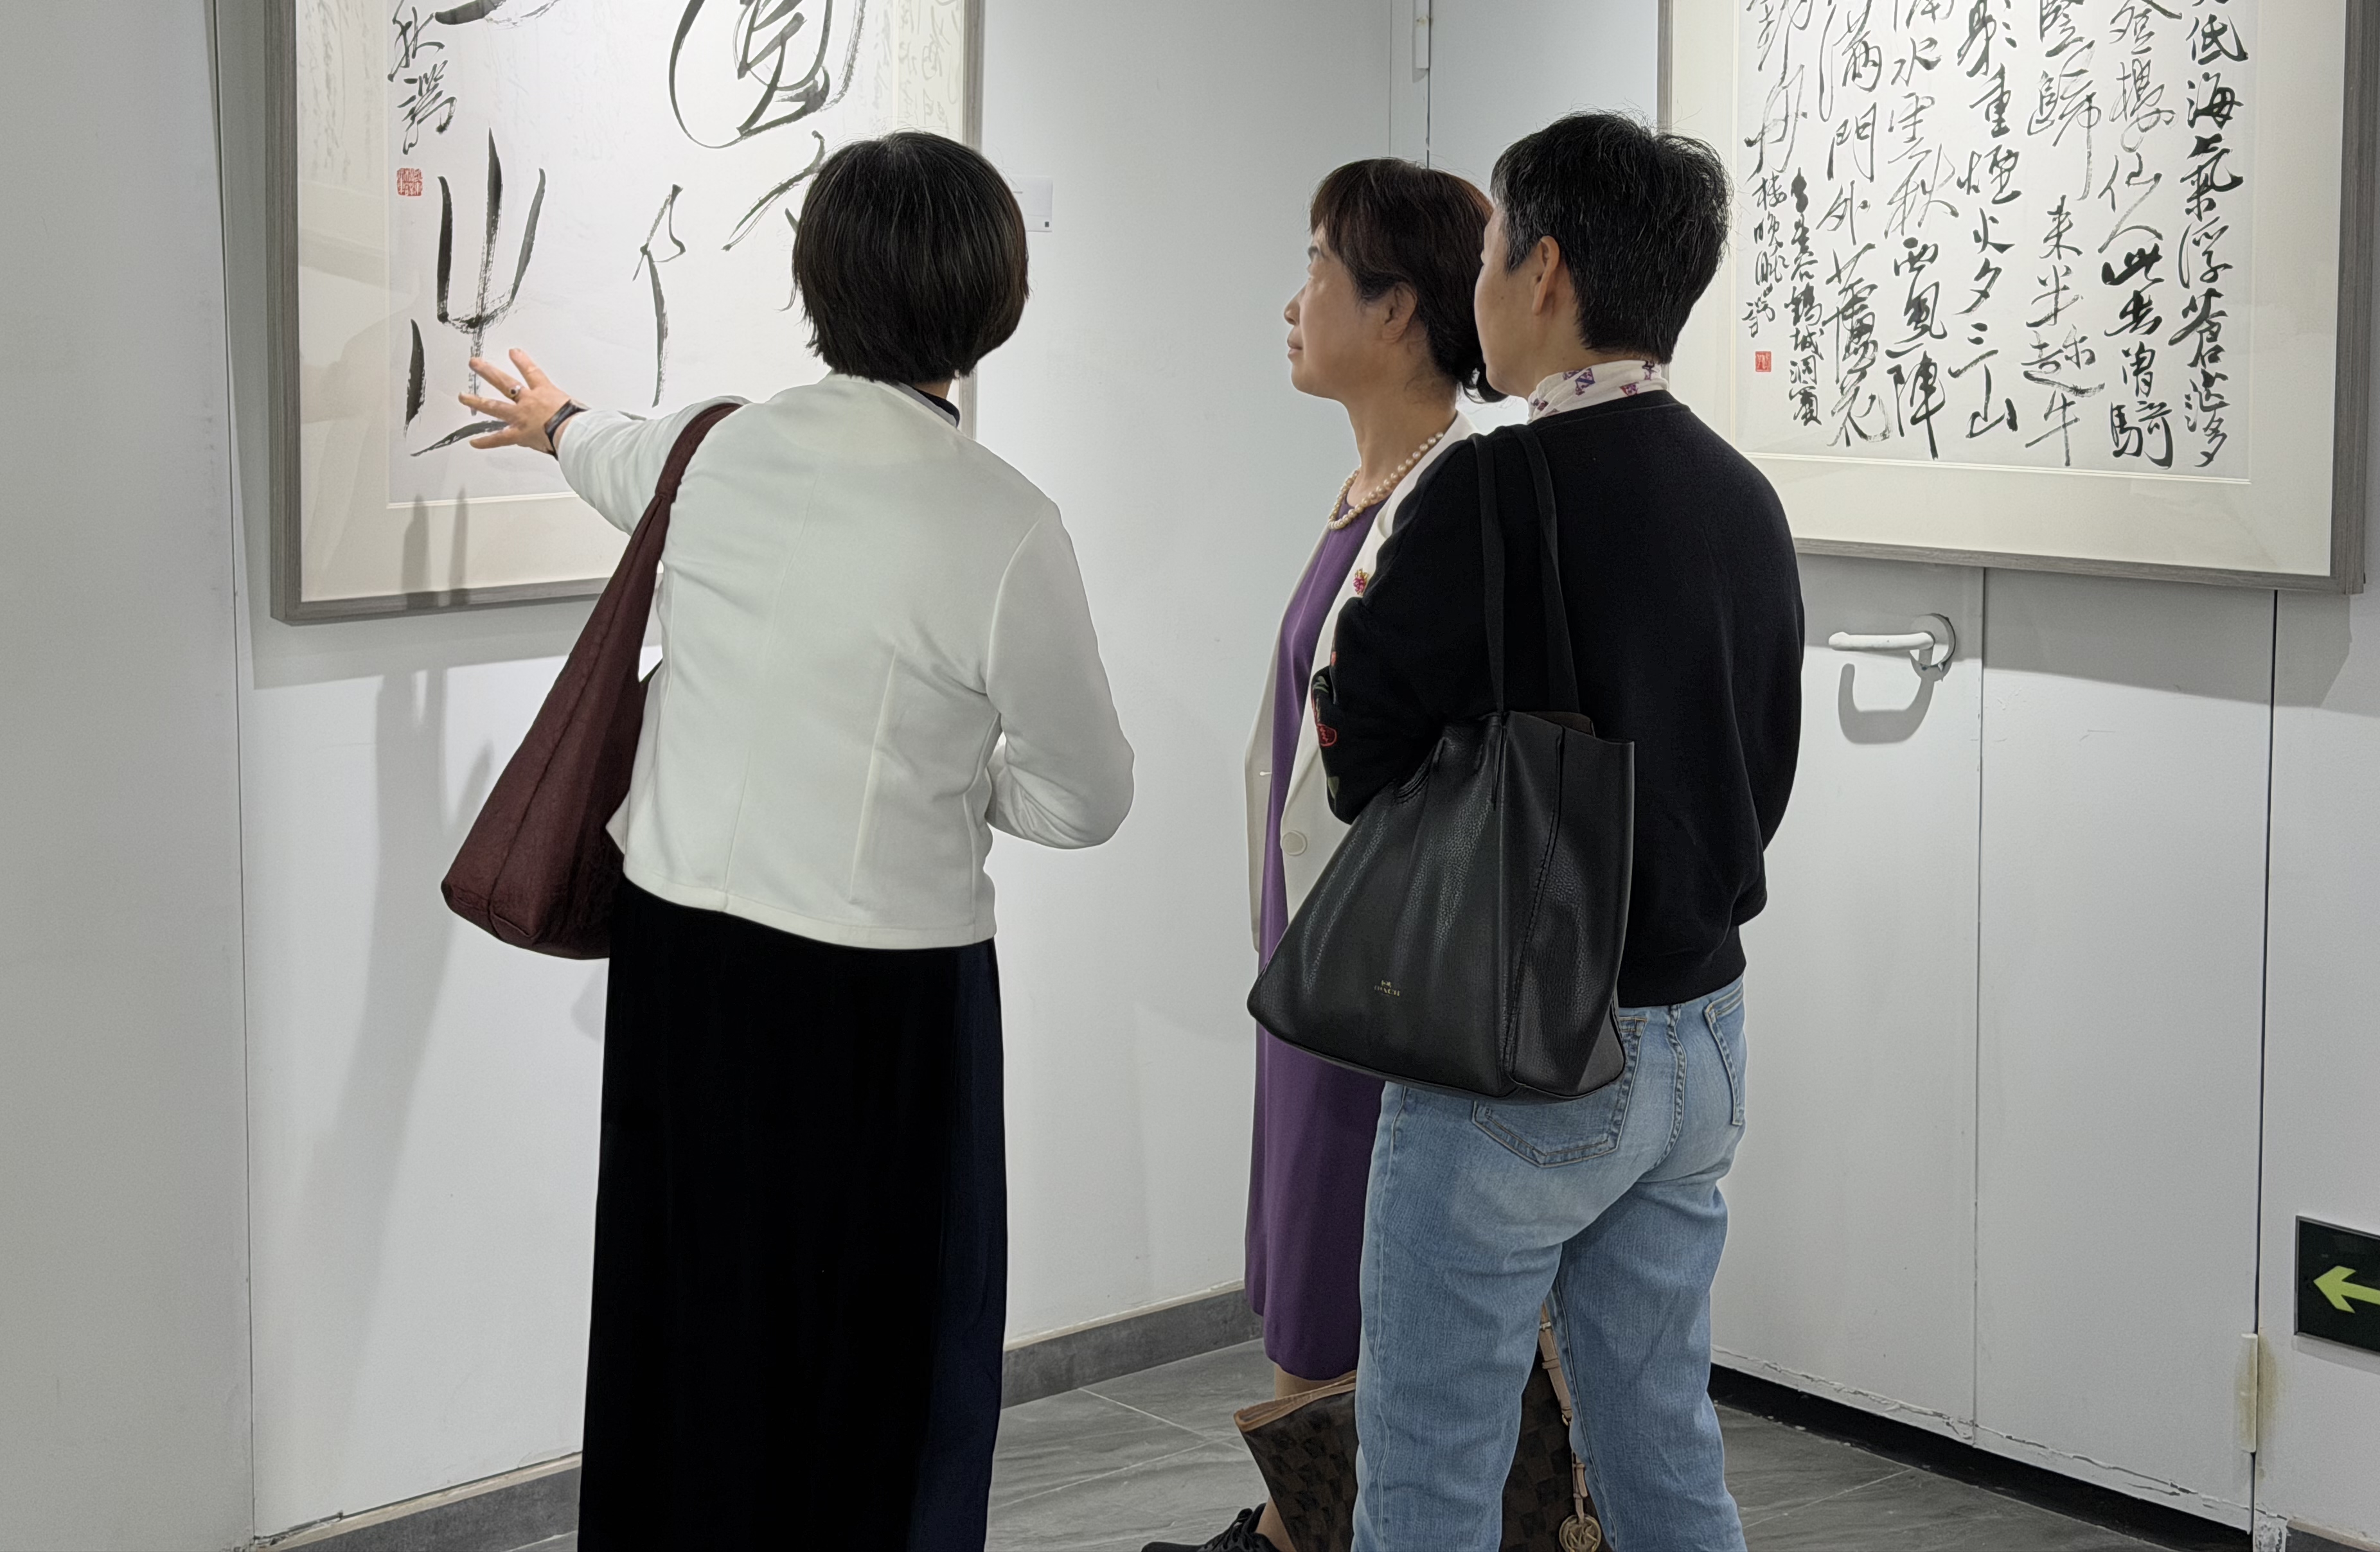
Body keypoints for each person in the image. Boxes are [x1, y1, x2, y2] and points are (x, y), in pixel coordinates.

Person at [456, 130, 1135, 1551]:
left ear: (815, 279)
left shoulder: (716, 452)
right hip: (878, 995)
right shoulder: (1005, 523)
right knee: (884, 1361)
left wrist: (555, 417)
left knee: (682, 1319)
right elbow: (1088, 797)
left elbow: (608, 455)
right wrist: (954, 783)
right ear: (994, 301)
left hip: (678, 967)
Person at [1315, 112, 1804, 1551]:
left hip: (1520, 1049)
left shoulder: (1491, 485)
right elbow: (1763, 772)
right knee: (1663, 1447)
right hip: (1701, 1037)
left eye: (1487, 256)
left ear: (1544, 272)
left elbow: (1360, 746)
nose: (1477, 288)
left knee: (1430, 1470)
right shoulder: (1744, 496)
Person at [1150, 159, 1498, 1552]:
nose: (1293, 302)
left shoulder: (1454, 495)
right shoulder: (1371, 488)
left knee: (1341, 1283)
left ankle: (1310, 1531)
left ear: (1398, 309)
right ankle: (1303, 1523)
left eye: (1316, 268)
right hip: (1318, 956)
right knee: (1309, 1265)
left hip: (1380, 974)